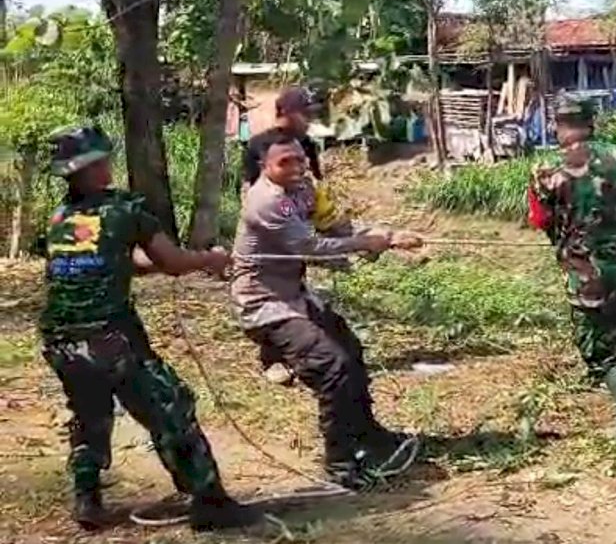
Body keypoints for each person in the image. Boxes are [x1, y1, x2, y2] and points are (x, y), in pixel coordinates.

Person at [40, 126, 258, 532]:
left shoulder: (59, 217)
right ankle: (210, 501)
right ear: (96, 166)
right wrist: (208, 260)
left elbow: (106, 262)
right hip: (110, 339)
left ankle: (87, 500)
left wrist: (162, 263)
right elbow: (173, 262)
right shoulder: (125, 208)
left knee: (89, 413)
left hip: (59, 341)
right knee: (171, 407)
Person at [231, 135, 423, 489]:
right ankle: (339, 462)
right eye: (284, 162)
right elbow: (311, 247)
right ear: (264, 167)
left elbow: (336, 227)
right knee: (332, 366)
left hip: (295, 295)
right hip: (264, 304)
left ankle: (368, 434)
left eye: (299, 158)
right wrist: (365, 243)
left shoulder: (305, 189)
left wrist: (390, 235)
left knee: (350, 350)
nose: (296, 167)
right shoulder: (265, 202)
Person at [527, 95, 616, 440]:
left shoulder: (545, 169)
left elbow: (540, 219)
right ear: (592, 123)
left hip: (585, 273)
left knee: (599, 346)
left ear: (557, 124)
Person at [242, 86, 323, 188]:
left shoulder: (307, 143)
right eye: (305, 114)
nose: (309, 121)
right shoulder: (259, 145)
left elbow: (318, 182)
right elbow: (253, 191)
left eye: (312, 115)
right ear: (285, 112)